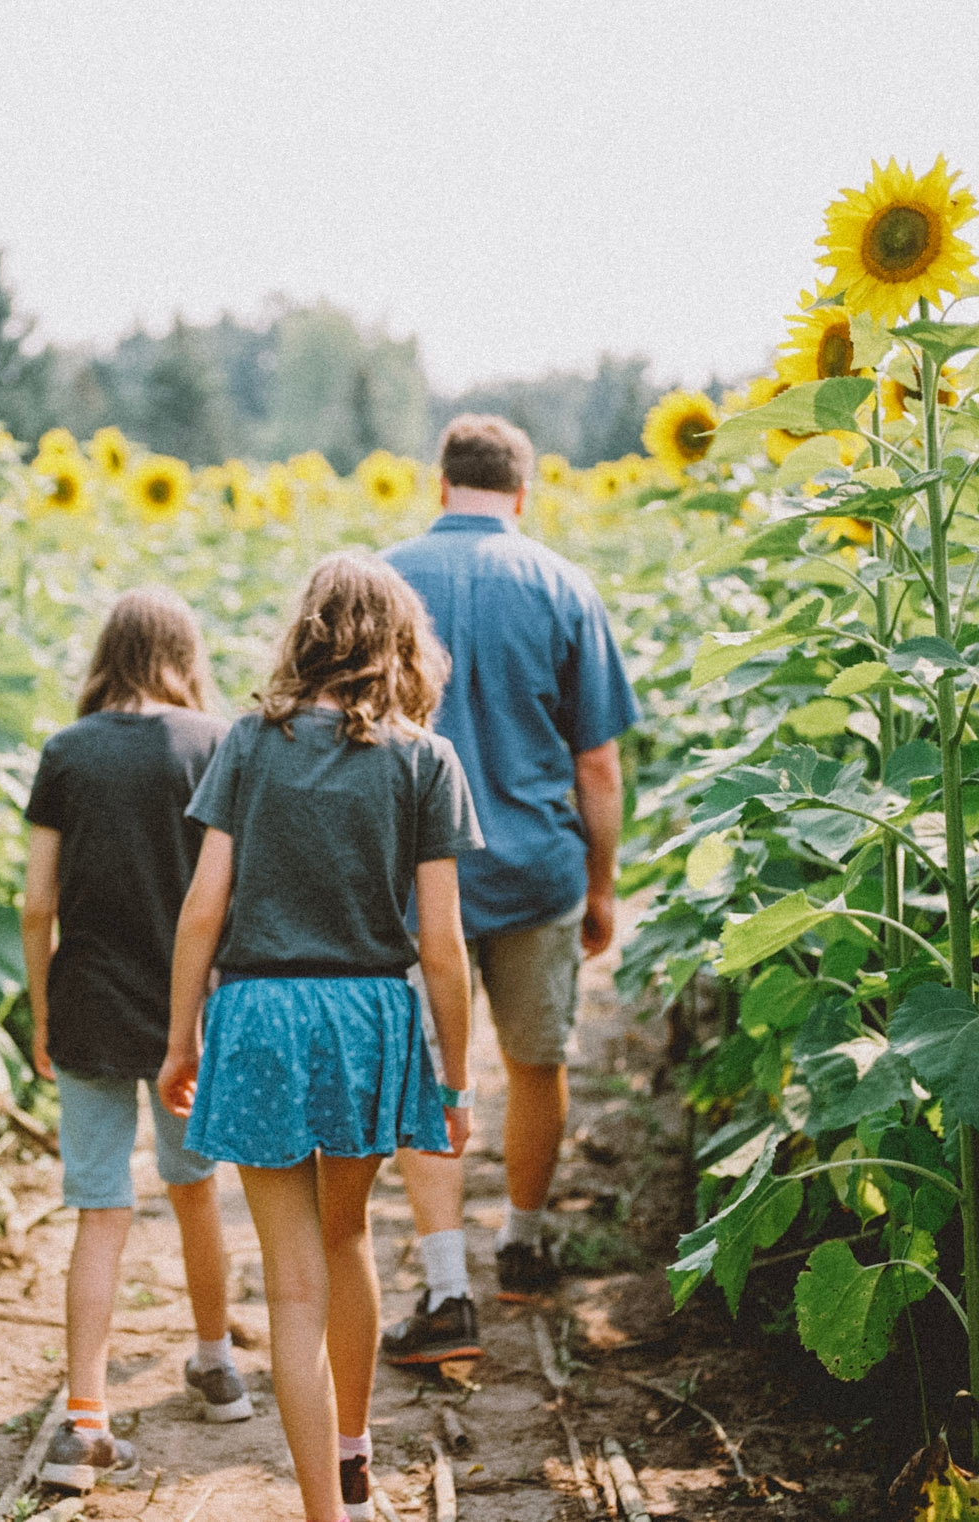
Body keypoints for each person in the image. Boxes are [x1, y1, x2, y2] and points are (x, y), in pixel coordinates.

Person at [158, 554, 481, 1522]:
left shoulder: (250, 744)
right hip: (366, 1017)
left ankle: (320, 1514)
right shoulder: (424, 759)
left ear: (304, 632)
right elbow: (441, 942)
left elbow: (200, 909)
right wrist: (455, 1079)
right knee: (349, 1238)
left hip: (257, 1016)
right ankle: (353, 1447)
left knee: (288, 1290)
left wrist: (181, 1038)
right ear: (401, 643)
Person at [376, 414, 641, 1366]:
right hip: (536, 868)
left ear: (440, 485)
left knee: (425, 1074)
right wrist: (601, 886)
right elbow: (599, 763)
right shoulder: (565, 585)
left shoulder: (384, 582)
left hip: (411, 879)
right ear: (522, 495)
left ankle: (446, 1289)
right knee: (537, 1059)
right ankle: (523, 1241)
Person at [21, 587, 255, 1495]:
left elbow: (38, 902)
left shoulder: (66, 754)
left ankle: (85, 1421)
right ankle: (217, 1364)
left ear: (106, 655)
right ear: (183, 654)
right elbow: (228, 892)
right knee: (197, 1189)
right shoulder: (213, 744)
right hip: (187, 1012)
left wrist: (41, 1011)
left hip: (86, 1001)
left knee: (100, 1206)